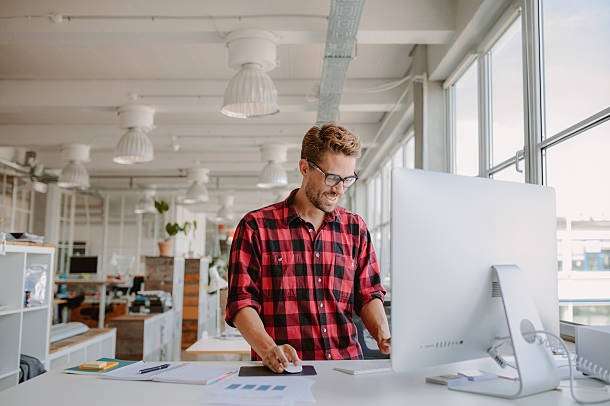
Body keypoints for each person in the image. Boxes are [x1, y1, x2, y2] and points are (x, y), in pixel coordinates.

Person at [225, 123, 390, 373]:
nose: (339, 188)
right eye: (333, 177)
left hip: (346, 370)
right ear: (305, 168)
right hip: (284, 372)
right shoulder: (256, 227)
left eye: (348, 179)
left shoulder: (355, 228)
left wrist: (385, 337)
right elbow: (241, 302)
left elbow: (368, 294)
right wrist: (269, 348)